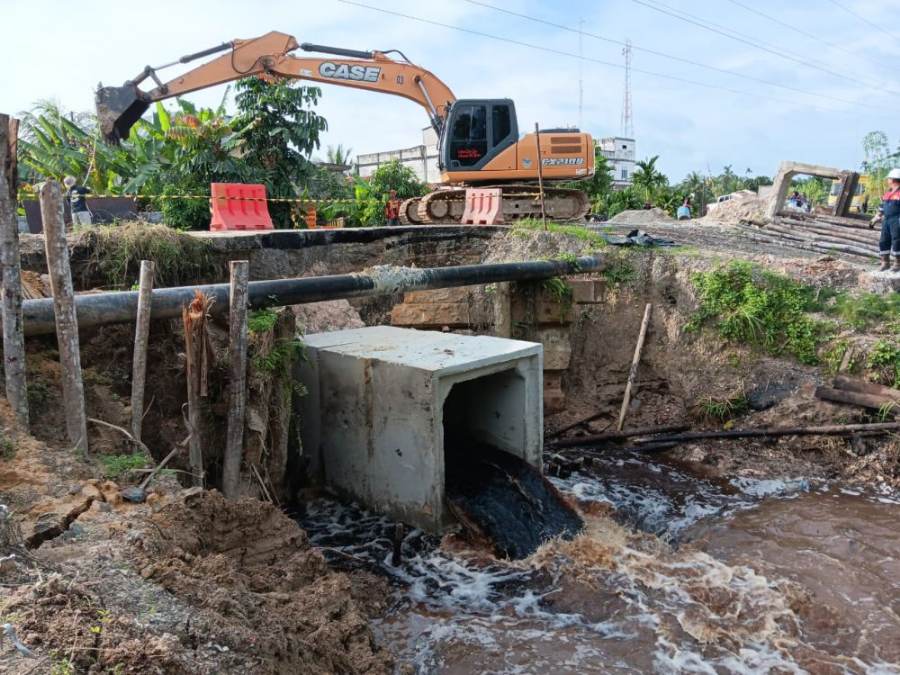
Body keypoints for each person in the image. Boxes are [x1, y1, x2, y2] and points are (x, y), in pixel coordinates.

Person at [870, 168, 900, 272]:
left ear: (893, 180)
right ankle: (885, 263)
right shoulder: (887, 193)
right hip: (886, 221)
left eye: (889, 178)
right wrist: (875, 219)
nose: (887, 180)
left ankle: (897, 264)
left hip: (897, 220)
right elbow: (881, 209)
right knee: (884, 241)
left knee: (897, 241)